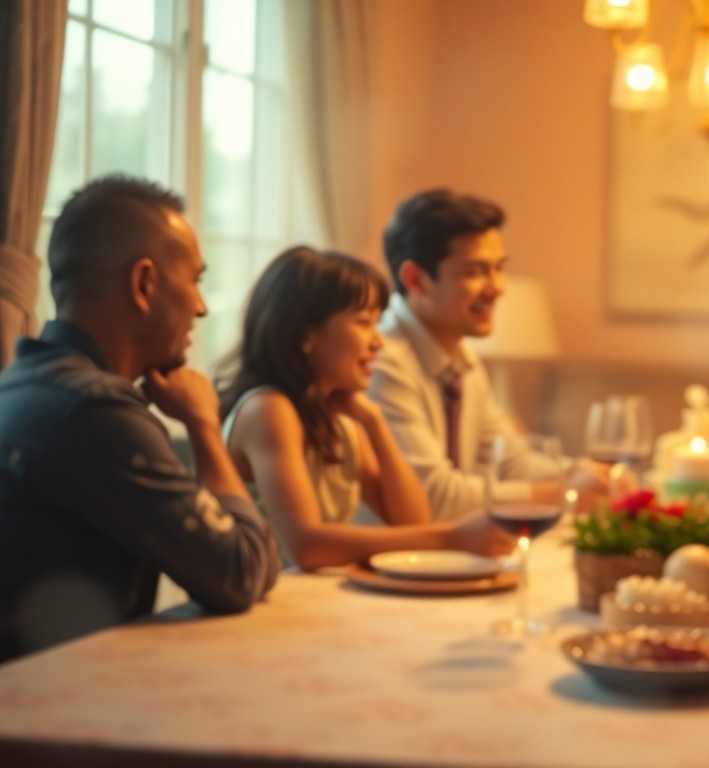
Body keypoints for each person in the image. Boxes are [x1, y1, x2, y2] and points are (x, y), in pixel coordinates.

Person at [0, 175, 279, 662]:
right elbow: (241, 570)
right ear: (144, 283)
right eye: (195, 281)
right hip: (61, 700)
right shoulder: (94, 411)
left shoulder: (21, 384)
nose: (201, 307)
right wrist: (204, 425)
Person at [217, 247, 508, 570]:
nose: (378, 342)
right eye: (364, 323)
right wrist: (450, 537)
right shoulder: (268, 410)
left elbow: (413, 520)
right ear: (306, 336)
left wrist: (374, 422)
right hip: (268, 600)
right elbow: (308, 546)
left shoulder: (343, 420)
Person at [369, 189, 605, 521]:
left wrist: (584, 474)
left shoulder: (462, 359)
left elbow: (512, 461)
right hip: (391, 551)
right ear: (416, 279)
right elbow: (433, 497)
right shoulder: (380, 361)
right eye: (474, 271)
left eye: (498, 268)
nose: (497, 288)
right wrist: (560, 493)